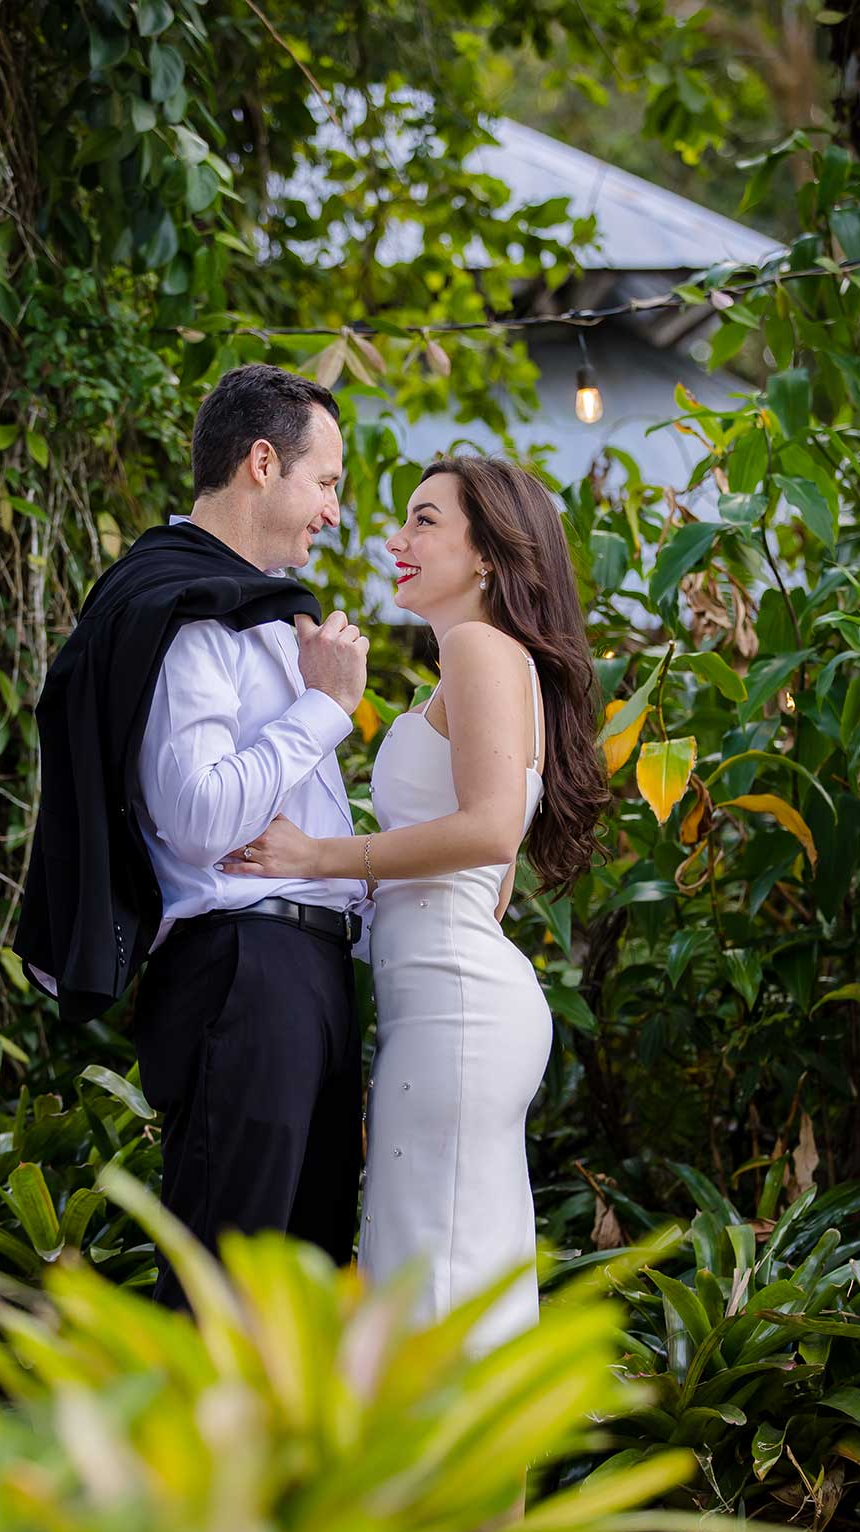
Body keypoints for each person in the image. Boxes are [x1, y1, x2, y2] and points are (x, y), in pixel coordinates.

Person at [217, 456, 608, 1351]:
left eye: (425, 521)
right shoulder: (490, 665)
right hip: (452, 1001)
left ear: (487, 554)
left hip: (457, 1011)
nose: (397, 539)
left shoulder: (477, 648)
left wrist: (321, 855)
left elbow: (489, 833)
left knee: (432, 1295)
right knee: (457, 1290)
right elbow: (491, 881)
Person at [14, 364, 372, 1308]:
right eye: (328, 483)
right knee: (223, 1292)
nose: (334, 513)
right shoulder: (184, 611)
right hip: (245, 976)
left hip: (311, 975)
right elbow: (203, 816)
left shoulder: (258, 608)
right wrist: (326, 711)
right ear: (264, 463)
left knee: (297, 1300)